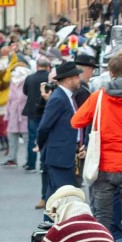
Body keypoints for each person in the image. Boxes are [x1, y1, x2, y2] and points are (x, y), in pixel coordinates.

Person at [73, 58, 122, 231]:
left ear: (111, 73)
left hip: (104, 164)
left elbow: (76, 121)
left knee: (102, 218)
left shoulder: (99, 97)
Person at [37, 61, 83, 200]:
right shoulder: (58, 98)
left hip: (64, 155)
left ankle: (50, 215)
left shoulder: (65, 96)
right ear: (68, 79)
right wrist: (44, 147)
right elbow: (44, 127)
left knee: (57, 197)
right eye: (77, 77)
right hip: (59, 157)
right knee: (61, 197)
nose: (80, 80)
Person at [22, 56, 50, 173]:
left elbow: (25, 92)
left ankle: (31, 164)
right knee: (46, 137)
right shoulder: (49, 78)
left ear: (37, 65)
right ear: (48, 66)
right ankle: (43, 164)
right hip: (46, 111)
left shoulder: (30, 78)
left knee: (32, 137)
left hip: (32, 111)